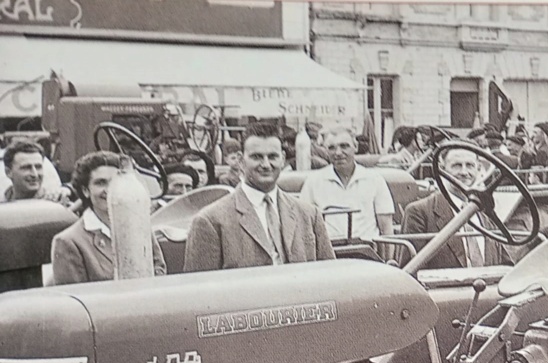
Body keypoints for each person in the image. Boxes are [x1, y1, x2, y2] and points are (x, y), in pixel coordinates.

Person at [183, 122, 333, 272]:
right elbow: (199, 290)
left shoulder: (309, 215)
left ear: (283, 159)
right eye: (257, 157)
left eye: (273, 156)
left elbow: (330, 276)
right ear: (241, 160)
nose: (266, 164)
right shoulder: (210, 221)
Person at [51, 151, 167, 285]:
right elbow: (75, 300)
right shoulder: (69, 241)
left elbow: (159, 272)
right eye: (101, 183)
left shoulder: (140, 225)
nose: (110, 189)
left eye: (116, 181)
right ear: (85, 191)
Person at [400, 146, 507, 269]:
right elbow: (411, 272)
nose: (464, 172)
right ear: (442, 169)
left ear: (478, 169)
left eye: (470, 165)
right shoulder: (420, 212)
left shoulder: (487, 213)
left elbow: (506, 264)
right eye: (456, 165)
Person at [299, 125, 396, 241]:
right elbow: (304, 226)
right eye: (331, 148)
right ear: (325, 151)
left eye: (344, 146)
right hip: (329, 251)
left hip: (366, 250)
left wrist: (389, 259)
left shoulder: (374, 179)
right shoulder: (313, 182)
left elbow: (386, 229)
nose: (338, 153)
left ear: (355, 147)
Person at [1, 141, 68, 204]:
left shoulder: (56, 203)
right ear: (8, 172)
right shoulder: (2, 203)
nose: (35, 174)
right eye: (26, 168)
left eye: (38, 167)